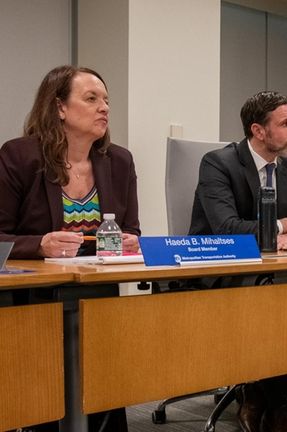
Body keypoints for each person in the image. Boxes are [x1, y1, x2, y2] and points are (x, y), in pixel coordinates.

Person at [0, 65, 140, 430]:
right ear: (59, 107)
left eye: (106, 100)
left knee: (104, 386)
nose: (104, 108)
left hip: (98, 296)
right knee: (42, 400)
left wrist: (130, 241)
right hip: (34, 301)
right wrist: (40, 244)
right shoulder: (18, 157)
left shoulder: (120, 162)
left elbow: (133, 230)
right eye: (91, 98)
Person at [189, 90, 287, 432]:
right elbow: (226, 228)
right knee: (273, 296)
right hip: (220, 268)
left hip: (273, 270)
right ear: (258, 131)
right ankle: (275, 404)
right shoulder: (218, 163)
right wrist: (286, 225)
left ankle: (258, 395)